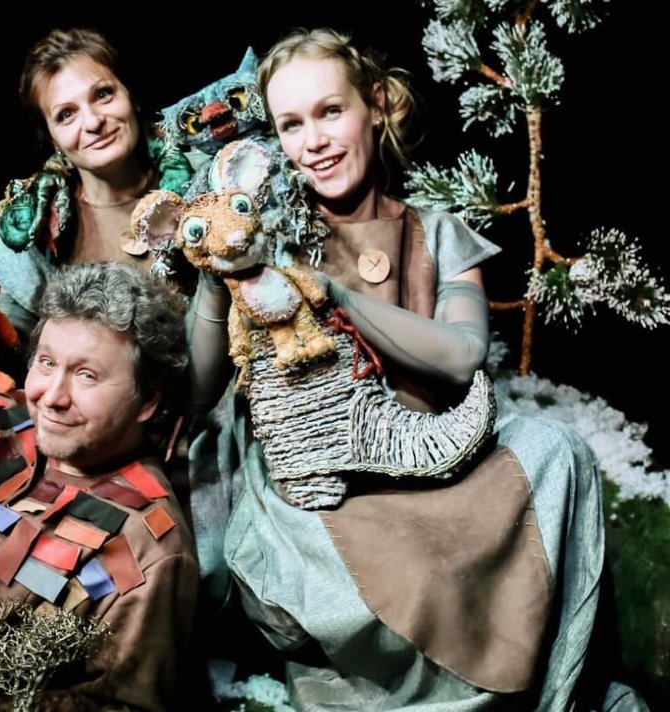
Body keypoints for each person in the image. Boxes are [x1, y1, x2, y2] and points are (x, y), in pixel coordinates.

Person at [199, 29, 623, 710]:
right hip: (327, 480)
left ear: (374, 106)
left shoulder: (436, 231)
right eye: (291, 125)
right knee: (396, 573)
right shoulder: (264, 238)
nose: (315, 141)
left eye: (331, 111)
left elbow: (461, 356)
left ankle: (546, 687)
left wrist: (334, 296)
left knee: (556, 450)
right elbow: (196, 390)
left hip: (435, 455)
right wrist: (212, 272)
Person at [0, 262, 202, 711]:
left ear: (147, 401)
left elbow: (119, 706)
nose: (51, 397)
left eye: (87, 375)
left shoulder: (150, 548)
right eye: (47, 363)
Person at [0, 28, 229, 411]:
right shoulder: (37, 232)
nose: (93, 121)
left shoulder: (215, 182)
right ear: (51, 137)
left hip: (219, 416)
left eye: (103, 94)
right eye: (66, 114)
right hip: (103, 433)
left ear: (131, 95)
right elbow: (8, 363)